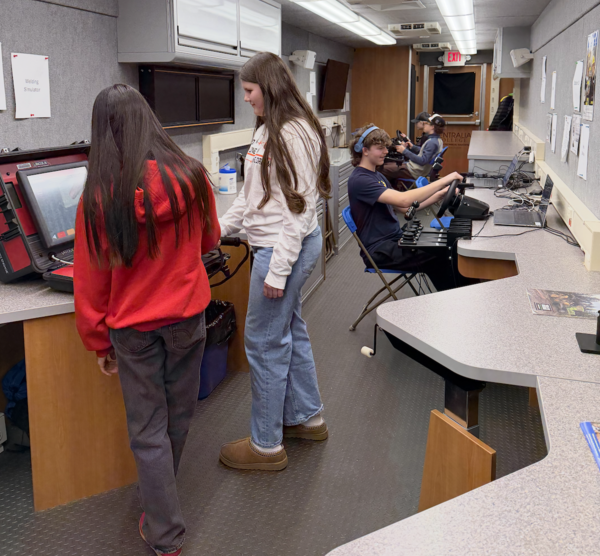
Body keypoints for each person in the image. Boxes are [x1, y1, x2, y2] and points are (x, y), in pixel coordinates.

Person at [74, 84, 220, 556]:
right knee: (178, 416)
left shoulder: (99, 196)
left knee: (147, 429)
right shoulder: (192, 177)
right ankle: (161, 510)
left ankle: (163, 529)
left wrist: (98, 341)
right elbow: (208, 242)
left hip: (133, 330)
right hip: (187, 317)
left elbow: (91, 280)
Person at [218, 52, 330, 472]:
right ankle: (307, 417)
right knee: (289, 330)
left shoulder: (295, 133)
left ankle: (266, 445)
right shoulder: (268, 130)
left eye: (249, 91)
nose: (245, 99)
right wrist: (221, 227)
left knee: (264, 344)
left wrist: (279, 270)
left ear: (268, 87)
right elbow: (253, 195)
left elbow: (299, 211)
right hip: (277, 245)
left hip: (286, 249)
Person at [348, 124, 463, 291]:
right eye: (380, 149)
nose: (386, 152)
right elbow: (403, 200)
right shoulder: (360, 180)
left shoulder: (376, 175)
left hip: (395, 238)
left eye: (385, 148)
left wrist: (438, 196)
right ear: (364, 150)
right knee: (444, 255)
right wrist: (444, 180)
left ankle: (452, 298)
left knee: (445, 248)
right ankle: (454, 299)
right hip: (380, 250)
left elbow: (405, 209)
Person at [385, 114, 446, 187]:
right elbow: (425, 153)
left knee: (383, 169)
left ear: (432, 127)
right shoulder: (437, 140)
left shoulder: (432, 142)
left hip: (414, 171)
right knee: (390, 166)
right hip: (416, 169)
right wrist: (412, 147)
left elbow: (422, 161)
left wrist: (404, 151)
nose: (424, 125)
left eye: (426, 124)